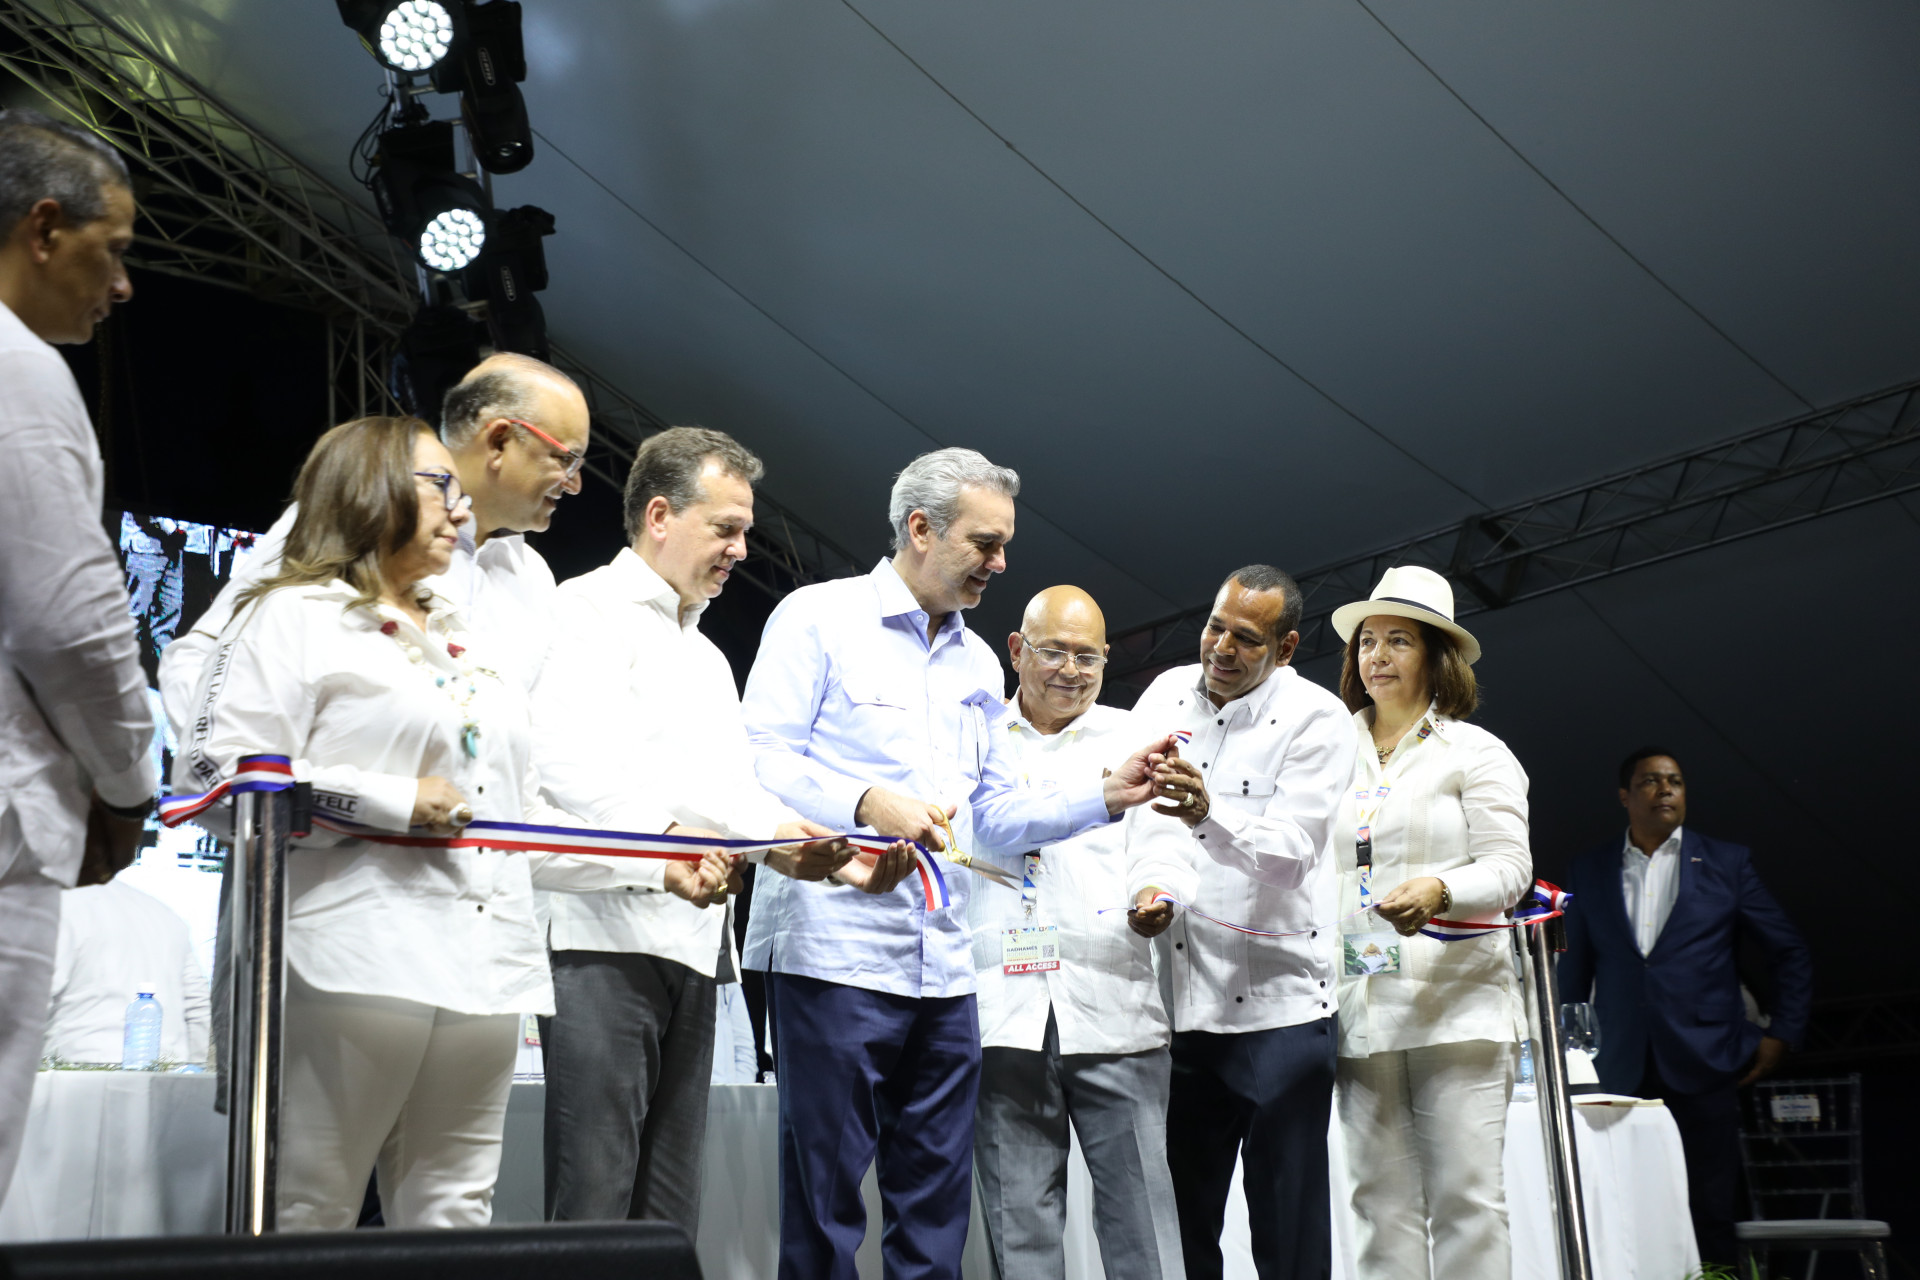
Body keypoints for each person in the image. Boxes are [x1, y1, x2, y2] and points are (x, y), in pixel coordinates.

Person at [174, 415, 728, 1230]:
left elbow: (515, 820)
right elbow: (213, 777)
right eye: (438, 486)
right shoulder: (290, 614)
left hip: (483, 972)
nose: (461, 507)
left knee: (456, 1218)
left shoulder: (472, 642)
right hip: (354, 964)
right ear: (367, 490)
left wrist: (656, 863)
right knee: (306, 1210)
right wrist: (387, 800)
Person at [740, 447, 1173, 1280]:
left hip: (945, 970)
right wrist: (867, 800)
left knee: (935, 1213)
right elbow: (760, 756)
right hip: (834, 955)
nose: (1000, 563)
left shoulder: (977, 662)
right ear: (920, 529)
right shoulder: (817, 618)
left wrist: (1106, 795)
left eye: (1004, 544)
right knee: (825, 1207)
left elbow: (996, 814)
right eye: (985, 543)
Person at [527, 426, 905, 1236]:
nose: (741, 549)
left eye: (746, 531)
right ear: (660, 516)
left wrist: (815, 855)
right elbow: (570, 770)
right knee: (593, 1207)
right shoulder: (582, 610)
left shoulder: (705, 655)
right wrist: (672, 845)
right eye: (726, 528)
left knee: (669, 1218)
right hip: (602, 938)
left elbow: (733, 794)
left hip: (695, 943)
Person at [0, 107, 156, 1202]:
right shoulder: (18, 369)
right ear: (45, 228)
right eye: (116, 251)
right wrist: (129, 782)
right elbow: (71, 624)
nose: (124, 285)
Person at [159, 350, 592, 734]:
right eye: (566, 459)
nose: (575, 485)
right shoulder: (354, 519)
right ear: (498, 441)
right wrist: (275, 784)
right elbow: (200, 663)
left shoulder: (533, 579)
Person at [1127, 564, 1357, 1280]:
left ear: (1285, 648)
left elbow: (1291, 855)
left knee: (1288, 1234)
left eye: (1247, 639)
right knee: (1181, 1230)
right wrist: (1150, 889)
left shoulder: (1319, 719)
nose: (1221, 648)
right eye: (1215, 627)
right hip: (1181, 1012)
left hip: (1280, 1015)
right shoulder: (1164, 695)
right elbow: (1140, 825)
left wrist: (1208, 812)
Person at [969, 585, 1193, 1280]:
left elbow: (1164, 844)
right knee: (1020, 1230)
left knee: (1145, 1224)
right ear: (1016, 650)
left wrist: (1158, 894)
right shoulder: (971, 738)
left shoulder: (1133, 737)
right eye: (1054, 652)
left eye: (1088, 656)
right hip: (1002, 1018)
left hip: (1113, 1011)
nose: (1072, 670)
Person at [1323, 567, 1532, 1280]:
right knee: (1376, 1207)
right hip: (1360, 1005)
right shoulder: (1329, 753)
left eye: (1399, 640)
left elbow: (1511, 868)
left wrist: (1442, 889)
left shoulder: (1477, 752)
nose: (1377, 655)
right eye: (1367, 641)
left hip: (1458, 1009)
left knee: (1467, 1203)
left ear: (1438, 655)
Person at [1560, 746, 1811, 1267]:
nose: (1666, 790)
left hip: (1706, 1060)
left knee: (1709, 1210)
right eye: (1650, 781)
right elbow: (1573, 975)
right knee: (1624, 1212)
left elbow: (1788, 950)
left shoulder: (1725, 862)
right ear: (1625, 796)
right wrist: (1569, 1056)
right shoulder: (1589, 869)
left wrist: (1781, 1032)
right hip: (1620, 1066)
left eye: (1674, 781)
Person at [43, 878, 212, 1067]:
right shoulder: (164, 913)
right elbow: (198, 1006)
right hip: (165, 1072)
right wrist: (192, 1069)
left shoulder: (56, 905)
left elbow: (29, 998)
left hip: (78, 1071)